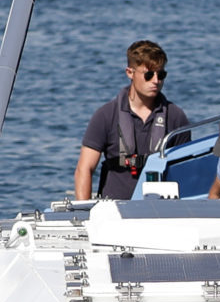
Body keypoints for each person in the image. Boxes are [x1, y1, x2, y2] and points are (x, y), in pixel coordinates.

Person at [76, 40, 192, 202]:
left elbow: (185, 172)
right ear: (130, 73)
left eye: (161, 75)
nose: (156, 81)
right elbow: (84, 168)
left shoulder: (176, 117)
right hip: (114, 209)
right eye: (149, 75)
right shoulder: (105, 115)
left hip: (162, 210)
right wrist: (83, 213)